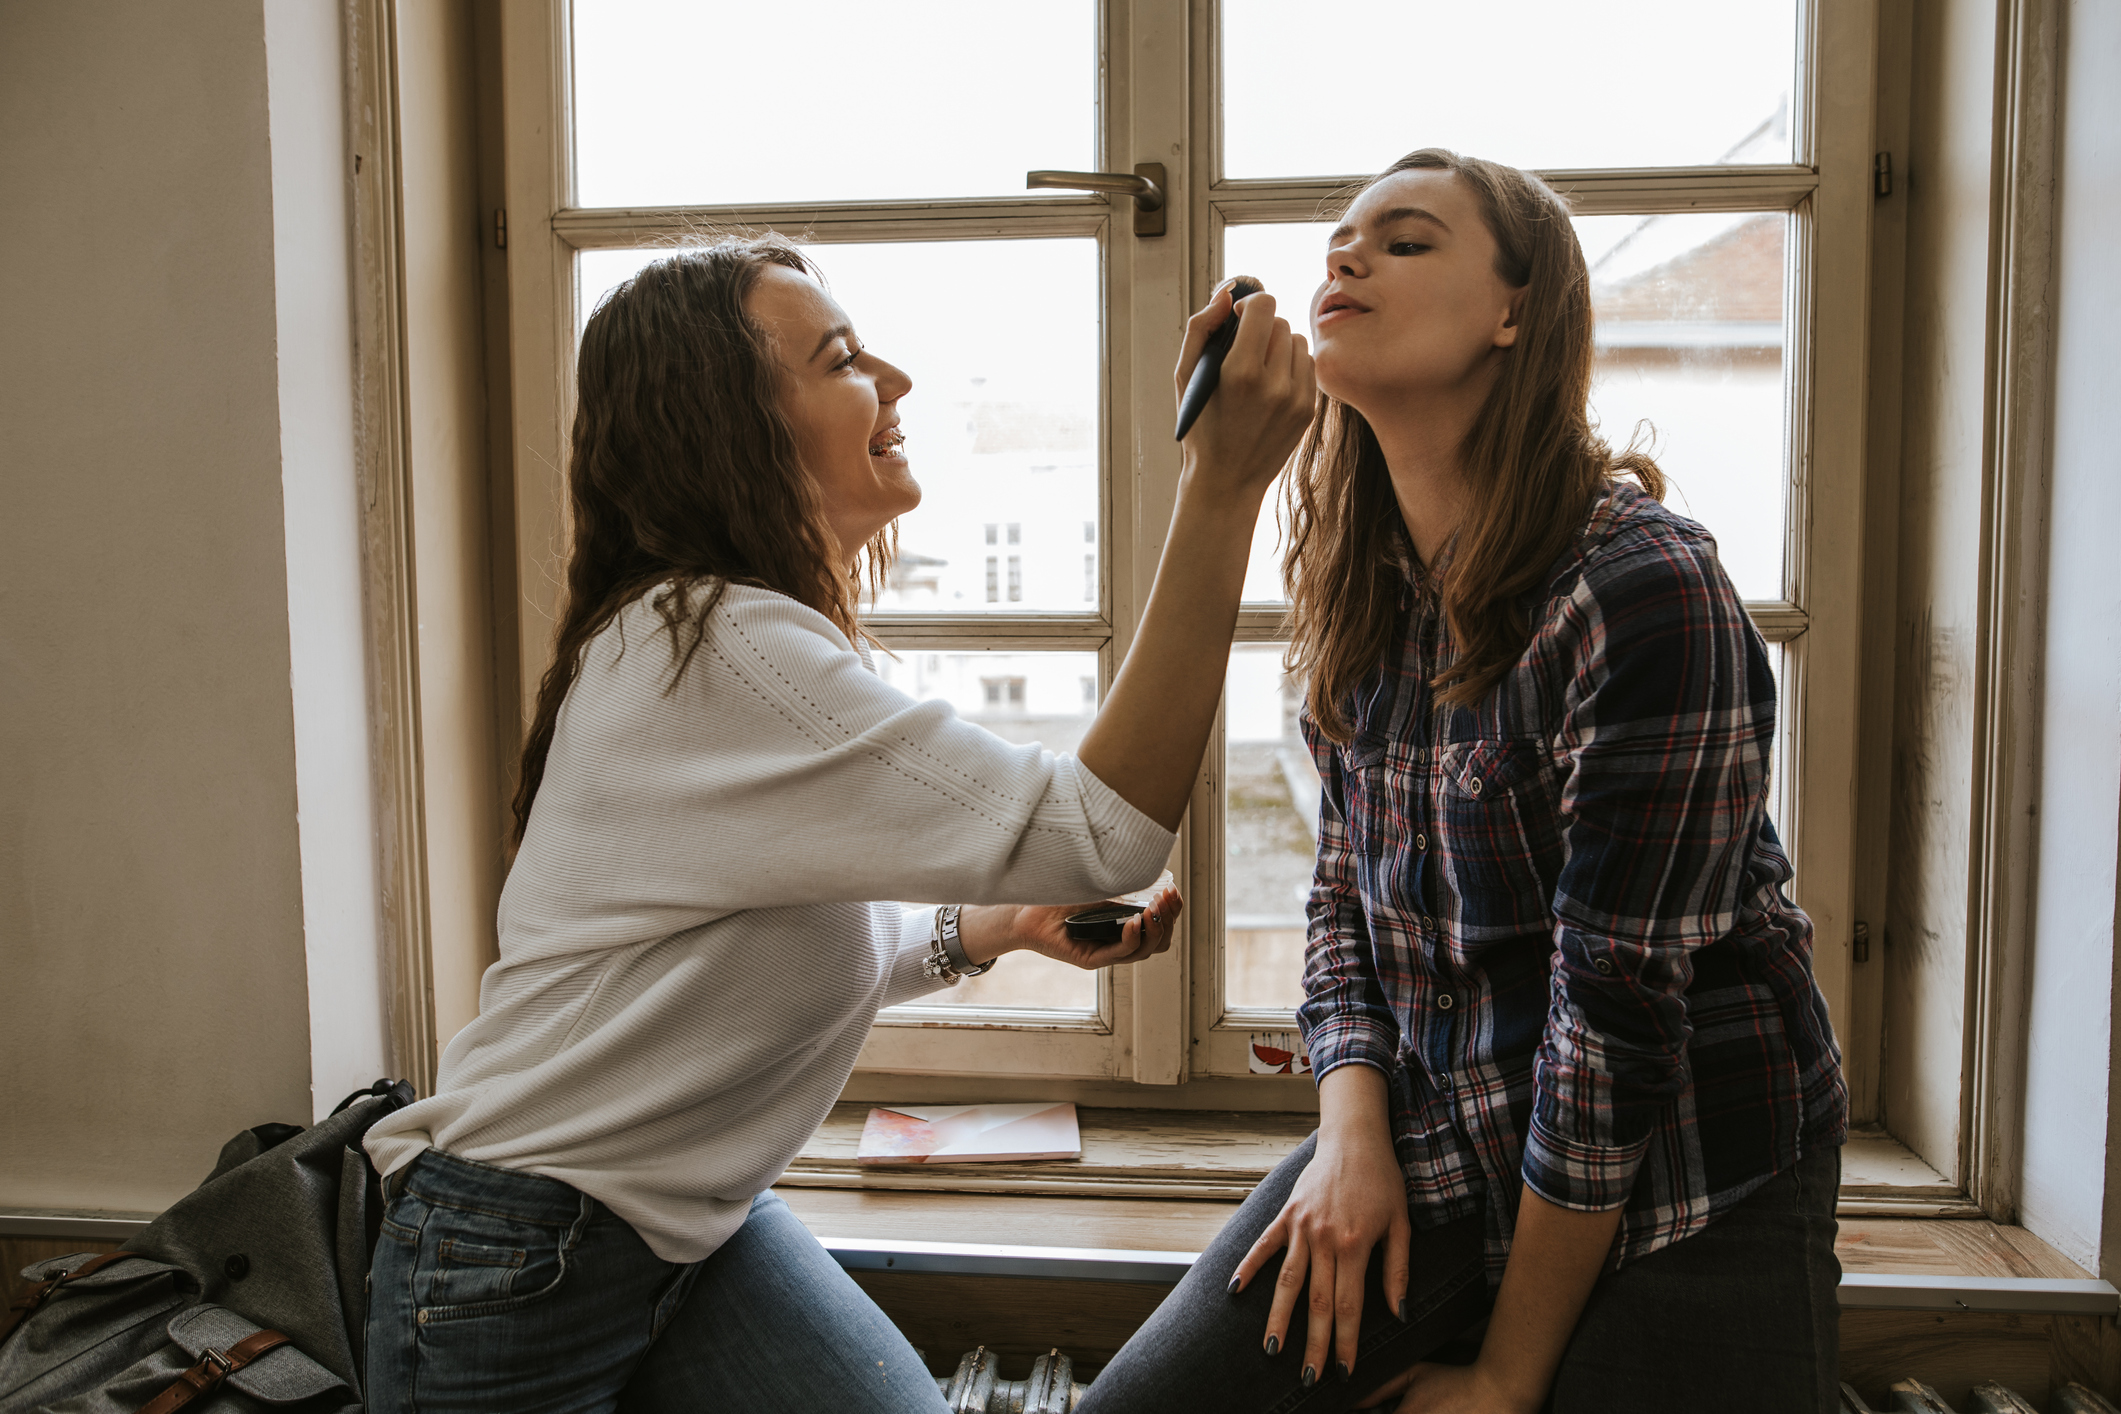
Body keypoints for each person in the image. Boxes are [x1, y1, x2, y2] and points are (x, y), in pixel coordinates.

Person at [358, 235, 1316, 1414]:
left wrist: (991, 929)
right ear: (735, 427)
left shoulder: (725, 639)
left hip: (682, 1230)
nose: (896, 381)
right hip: (515, 1257)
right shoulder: (719, 648)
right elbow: (1103, 833)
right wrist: (1223, 486)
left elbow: (746, 949)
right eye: (845, 359)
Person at [1078, 150, 1848, 1414]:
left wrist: (1506, 1373)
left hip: (1691, 1166)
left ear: (1514, 313)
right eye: (1338, 239)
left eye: (1409, 238)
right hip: (1443, 1130)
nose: (1345, 257)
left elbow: (1610, 1037)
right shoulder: (1361, 588)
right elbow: (1342, 904)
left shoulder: (1640, 588)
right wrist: (1351, 1134)